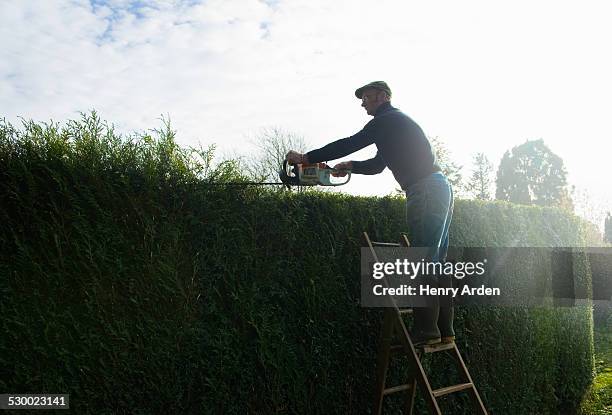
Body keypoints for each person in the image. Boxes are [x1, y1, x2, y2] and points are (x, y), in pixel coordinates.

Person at [285, 81, 454, 346]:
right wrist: (351, 167)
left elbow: (350, 142)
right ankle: (445, 331)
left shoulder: (387, 120)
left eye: (367, 97)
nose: (363, 102)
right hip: (437, 187)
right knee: (435, 261)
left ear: (383, 96)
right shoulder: (395, 127)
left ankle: (427, 332)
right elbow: (377, 166)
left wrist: (306, 157)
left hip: (425, 190)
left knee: (423, 261)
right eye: (361, 98)